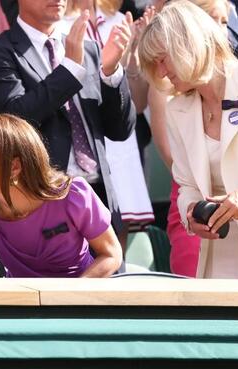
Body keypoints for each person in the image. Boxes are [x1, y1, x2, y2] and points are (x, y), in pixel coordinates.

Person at [0, 0, 136, 244]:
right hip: (41, 200)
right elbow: (13, 120)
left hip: (99, 198)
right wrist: (70, 67)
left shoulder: (89, 50)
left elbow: (120, 130)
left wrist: (111, 73)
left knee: (108, 277)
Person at [139, 0, 238, 278]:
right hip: (221, 254)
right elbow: (186, 184)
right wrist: (191, 213)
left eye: (163, 59)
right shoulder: (177, 110)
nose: (162, 72)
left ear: (187, 44)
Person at [0, 113, 122, 278]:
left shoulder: (73, 196)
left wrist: (70, 298)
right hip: (19, 303)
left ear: (15, 166)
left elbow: (111, 254)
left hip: (79, 301)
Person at [60, 0, 154, 246]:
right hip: (77, 147)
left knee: (117, 230)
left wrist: (133, 52)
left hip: (120, 143)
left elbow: (139, 104)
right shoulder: (56, 24)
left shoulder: (120, 21)